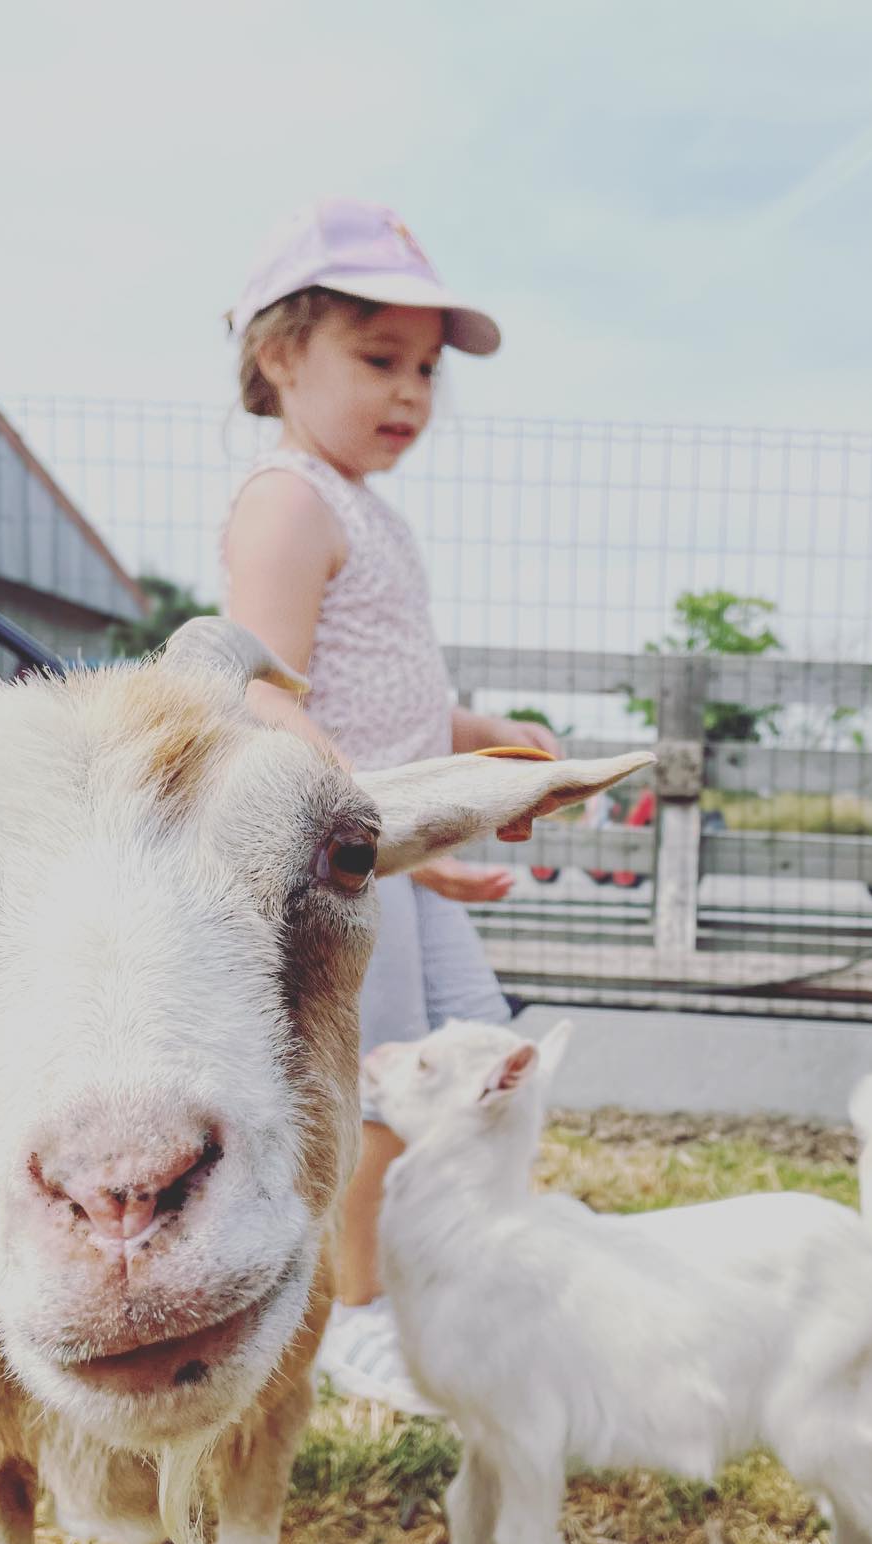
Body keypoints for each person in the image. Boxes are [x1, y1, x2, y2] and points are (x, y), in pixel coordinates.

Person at [221, 198, 557, 1408]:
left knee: (478, 1057)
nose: (412, 393)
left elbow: (380, 693)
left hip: (397, 846)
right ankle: (352, 1313)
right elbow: (263, 694)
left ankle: (442, 1259)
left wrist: (477, 740)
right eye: (379, 359)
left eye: (425, 369)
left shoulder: (367, 509)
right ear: (279, 356)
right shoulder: (288, 500)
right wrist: (376, 832)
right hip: (347, 859)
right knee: (383, 1082)